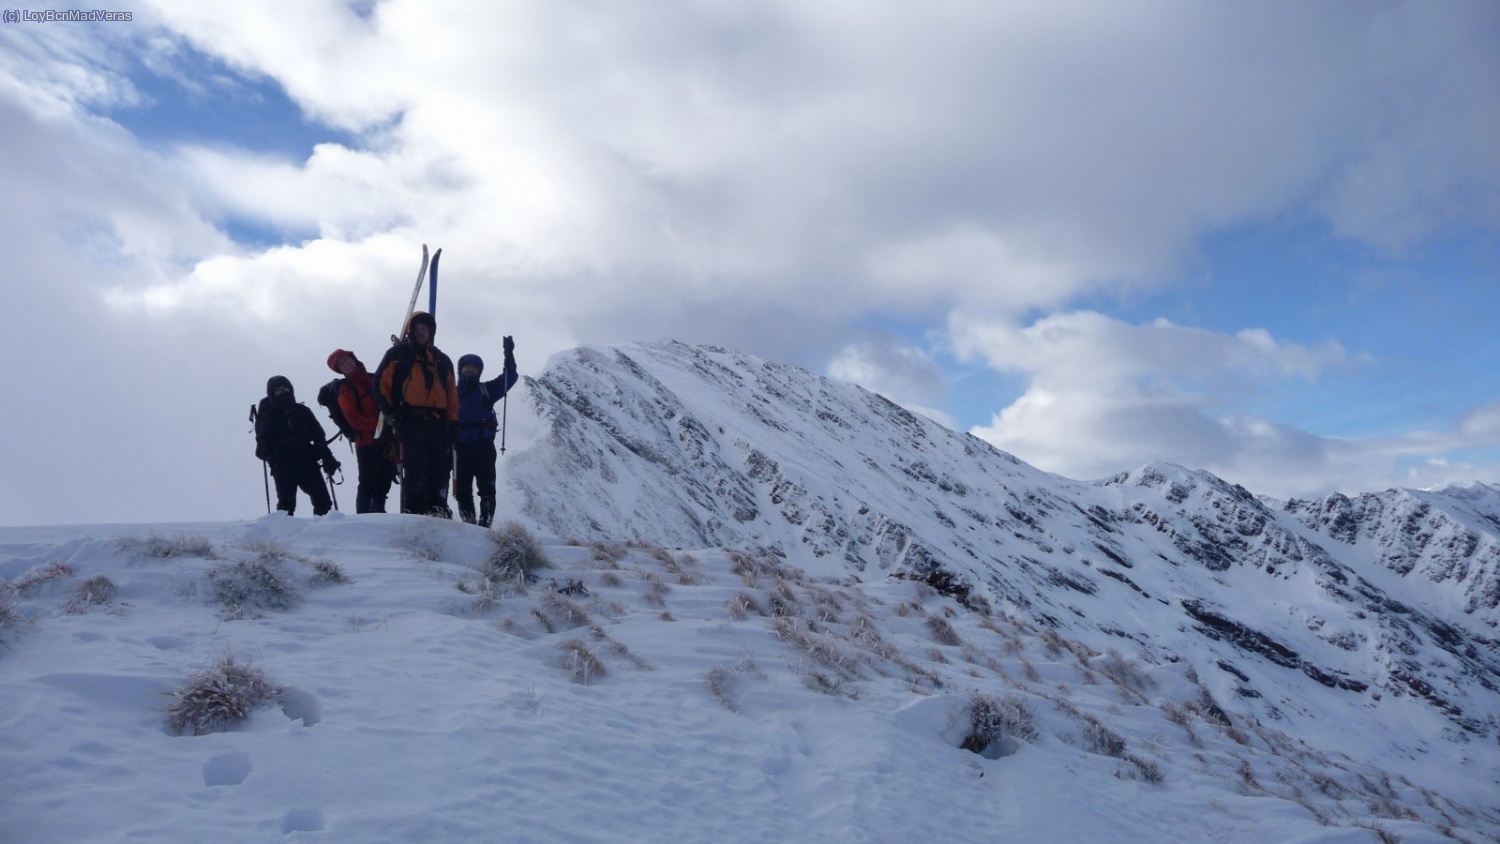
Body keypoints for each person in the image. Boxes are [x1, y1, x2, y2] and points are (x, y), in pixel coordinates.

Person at [374, 311, 457, 517]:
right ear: (411, 331)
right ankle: (414, 513)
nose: (420, 332)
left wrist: (453, 423)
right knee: (415, 468)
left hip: (438, 422)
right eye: (417, 328)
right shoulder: (397, 355)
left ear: (431, 332)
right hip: (409, 420)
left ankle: (437, 510)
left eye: (424, 328)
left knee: (439, 468)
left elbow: (452, 396)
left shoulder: (442, 360)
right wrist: (391, 411)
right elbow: (380, 385)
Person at [453, 336, 518, 527]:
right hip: (460, 447)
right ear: (460, 369)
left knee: (487, 488)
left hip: (483, 446)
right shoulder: (451, 393)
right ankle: (470, 525)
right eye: (467, 366)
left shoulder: (486, 389)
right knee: (463, 490)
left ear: (479, 371)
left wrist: (509, 355)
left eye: (474, 367)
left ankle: (484, 524)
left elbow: (510, 377)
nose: (470, 369)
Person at [253, 376, 339, 516]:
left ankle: (322, 527)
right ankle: (290, 529)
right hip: (282, 463)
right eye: (278, 391)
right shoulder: (269, 414)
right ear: (271, 394)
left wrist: (328, 458)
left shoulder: (303, 411)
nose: (283, 393)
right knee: (287, 505)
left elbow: (318, 437)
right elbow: (264, 439)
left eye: (286, 389)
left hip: (306, 460)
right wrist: (266, 452)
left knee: (322, 501)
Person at [327, 349, 397, 514]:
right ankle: (364, 517)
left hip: (386, 440)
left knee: (385, 479)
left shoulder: (374, 378)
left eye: (346, 359)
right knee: (368, 481)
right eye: (341, 364)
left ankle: (378, 513)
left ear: (353, 359)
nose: (346, 364)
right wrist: (380, 423)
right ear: (339, 370)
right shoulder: (345, 388)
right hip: (367, 441)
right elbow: (353, 419)